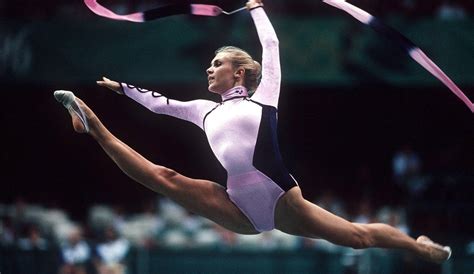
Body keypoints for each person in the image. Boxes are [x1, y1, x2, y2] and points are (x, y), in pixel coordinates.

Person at [55, 0, 451, 264]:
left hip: (281, 200)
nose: (209, 69)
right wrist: (122, 88)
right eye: (209, 64)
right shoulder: (203, 112)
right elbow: (160, 103)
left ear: (238, 72)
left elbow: (272, 44)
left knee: (357, 237)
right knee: (165, 179)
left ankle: (417, 246)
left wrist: (256, 8)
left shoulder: (265, 98)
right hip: (237, 207)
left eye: (216, 63)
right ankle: (91, 123)